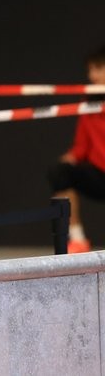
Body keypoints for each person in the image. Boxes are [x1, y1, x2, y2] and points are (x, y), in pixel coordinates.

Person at [47, 45, 105, 253]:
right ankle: (78, 239)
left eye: (98, 69)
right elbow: (82, 144)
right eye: (90, 70)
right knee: (59, 172)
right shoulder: (88, 102)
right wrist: (71, 157)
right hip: (100, 173)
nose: (92, 75)